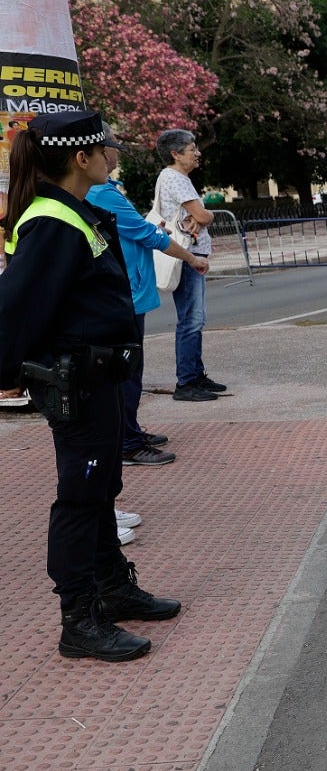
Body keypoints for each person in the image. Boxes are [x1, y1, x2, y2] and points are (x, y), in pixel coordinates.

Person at [0, 110, 183, 662]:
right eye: (106, 149)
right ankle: (79, 619)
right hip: (76, 384)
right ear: (82, 157)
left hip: (96, 379)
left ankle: (113, 587)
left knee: (101, 489)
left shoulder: (73, 210)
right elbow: (19, 306)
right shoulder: (52, 221)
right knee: (80, 498)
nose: (112, 156)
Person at [87, 145, 207, 467]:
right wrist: (191, 257)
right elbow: (144, 234)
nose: (116, 157)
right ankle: (128, 442)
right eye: (112, 150)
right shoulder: (103, 193)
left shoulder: (105, 190)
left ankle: (130, 430)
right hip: (125, 291)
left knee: (129, 368)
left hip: (125, 289)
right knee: (128, 370)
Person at [153, 129, 224, 402]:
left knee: (194, 318)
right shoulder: (175, 178)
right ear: (175, 153)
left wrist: (202, 217)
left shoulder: (174, 178)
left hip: (190, 252)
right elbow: (202, 214)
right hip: (188, 255)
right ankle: (187, 381)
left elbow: (199, 216)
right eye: (192, 148)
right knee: (191, 319)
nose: (198, 153)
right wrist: (206, 216)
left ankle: (196, 374)